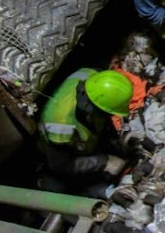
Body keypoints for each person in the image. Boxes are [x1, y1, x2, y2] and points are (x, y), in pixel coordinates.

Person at [38, 69, 133, 197]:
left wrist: (116, 141)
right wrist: (105, 162)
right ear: (90, 108)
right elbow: (61, 165)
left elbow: (104, 115)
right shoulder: (59, 123)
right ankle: (45, 183)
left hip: (86, 137)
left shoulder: (95, 80)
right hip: (58, 154)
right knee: (63, 187)